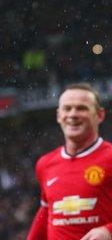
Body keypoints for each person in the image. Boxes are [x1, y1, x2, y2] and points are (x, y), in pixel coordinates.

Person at [27, 83, 112, 240]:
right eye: (67, 108)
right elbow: (46, 212)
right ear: (59, 116)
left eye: (82, 108)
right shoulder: (45, 164)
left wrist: (109, 230)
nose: (73, 114)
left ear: (100, 115)